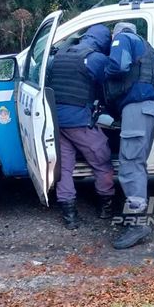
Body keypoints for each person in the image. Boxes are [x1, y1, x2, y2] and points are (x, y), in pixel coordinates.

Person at [47, 24, 116, 230]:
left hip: (56, 121)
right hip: (79, 122)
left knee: (65, 168)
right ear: (103, 42)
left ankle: (69, 216)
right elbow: (108, 86)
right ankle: (106, 206)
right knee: (101, 160)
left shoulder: (58, 55)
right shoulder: (96, 58)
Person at [104, 22, 154, 249]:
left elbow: (118, 65)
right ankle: (135, 213)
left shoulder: (124, 38)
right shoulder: (150, 49)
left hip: (136, 108)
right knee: (138, 163)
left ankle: (137, 223)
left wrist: (104, 75)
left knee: (130, 164)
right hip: (148, 109)